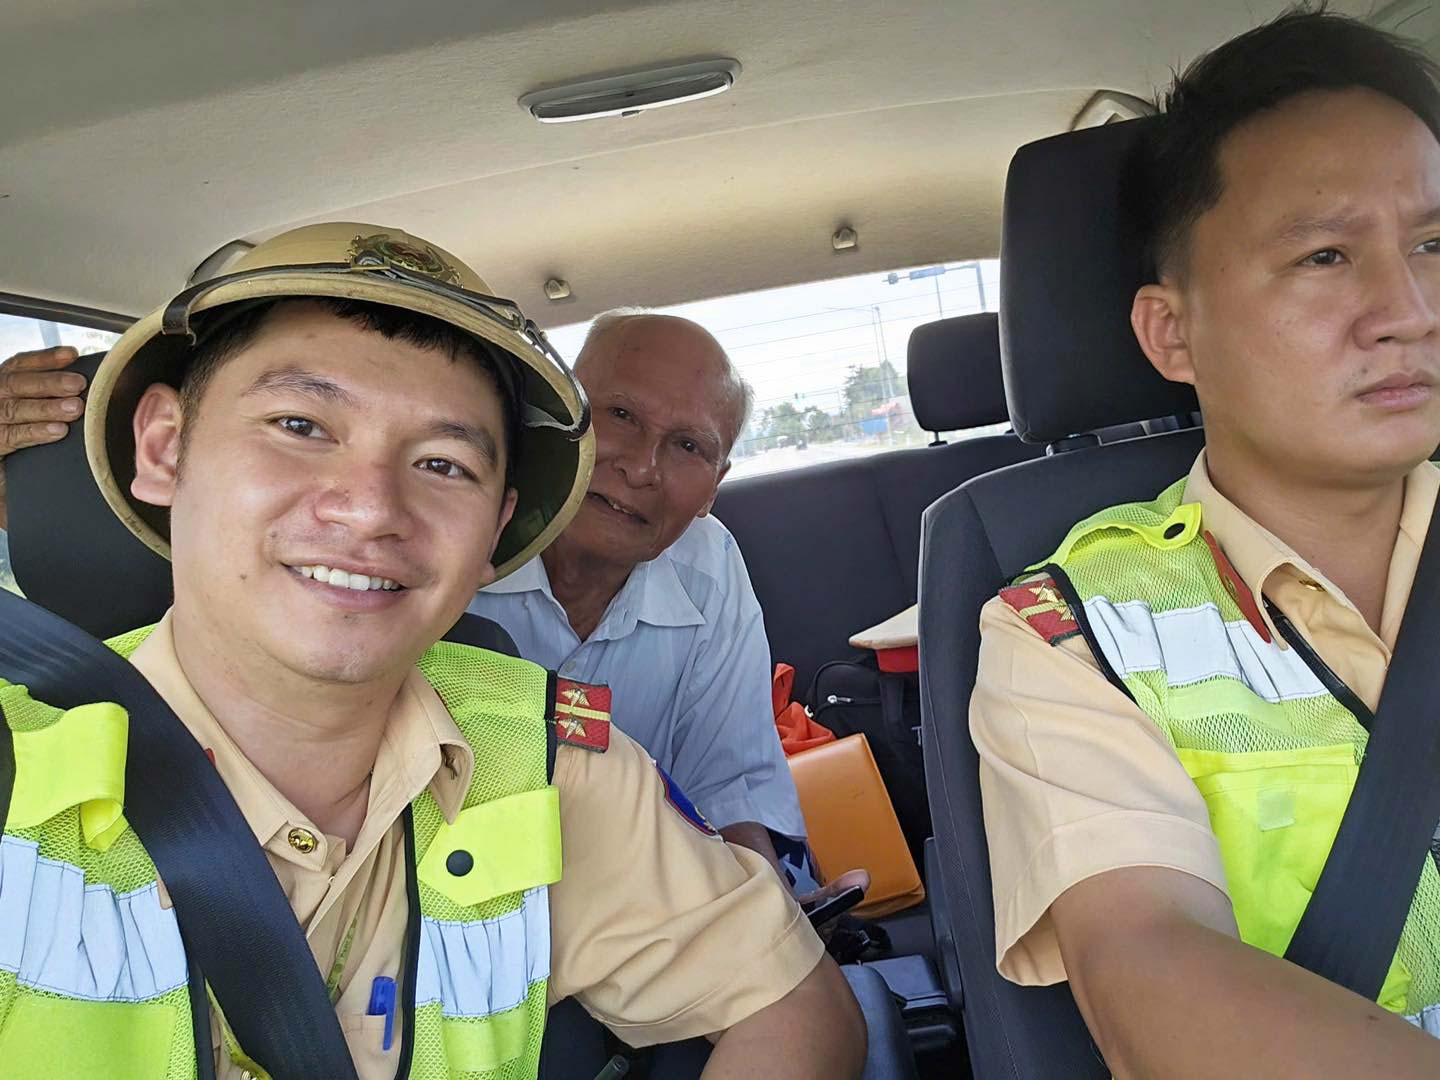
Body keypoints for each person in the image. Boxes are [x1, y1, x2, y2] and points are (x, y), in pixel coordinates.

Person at [0, 222, 865, 1078]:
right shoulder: (20, 770)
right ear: (165, 447)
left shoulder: (552, 764)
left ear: (496, 524)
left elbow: (780, 965)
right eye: (300, 424)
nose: (371, 508)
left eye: (444, 464)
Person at [970, 8, 1440, 1076]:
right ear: (1172, 333)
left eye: (1433, 243)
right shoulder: (1074, 635)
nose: (1406, 309)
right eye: (1325, 255)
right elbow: (1151, 965)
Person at [469, 310, 815, 887]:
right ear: (560, 416)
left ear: (715, 486)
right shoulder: (458, 536)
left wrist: (771, 918)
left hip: (645, 896)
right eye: (621, 415)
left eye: (686, 445)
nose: (641, 467)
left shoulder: (709, 564)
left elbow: (727, 784)